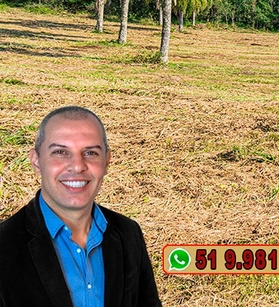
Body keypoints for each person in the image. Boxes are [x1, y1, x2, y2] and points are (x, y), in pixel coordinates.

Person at [0, 106, 161, 307]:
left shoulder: (129, 233)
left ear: (106, 161)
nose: (77, 166)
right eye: (60, 152)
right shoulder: (4, 245)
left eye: (91, 152)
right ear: (36, 161)